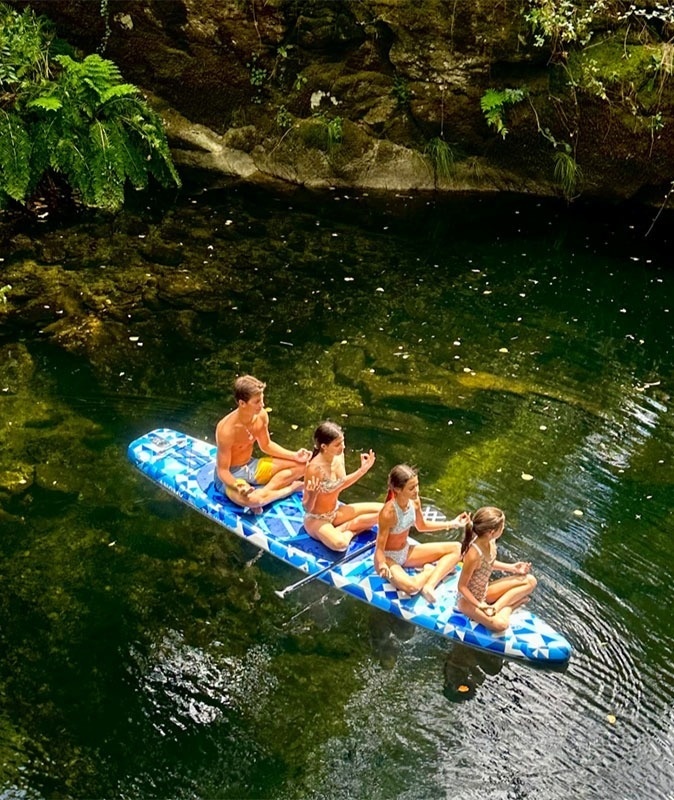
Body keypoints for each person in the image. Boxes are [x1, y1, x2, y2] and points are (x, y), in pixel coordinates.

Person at [214, 375, 311, 511]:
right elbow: (222, 471)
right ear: (242, 403)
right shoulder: (226, 430)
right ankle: (288, 489)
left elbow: (266, 446)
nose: (262, 405)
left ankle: (264, 494)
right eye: (257, 401)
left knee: (304, 466)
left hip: (251, 465)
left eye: (262, 399)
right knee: (253, 500)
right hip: (231, 475)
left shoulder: (261, 415)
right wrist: (237, 486)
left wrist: (294, 455)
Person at [373, 464, 469, 598]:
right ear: (398, 489)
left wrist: (452, 523)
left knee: (457, 548)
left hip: (406, 552)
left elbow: (422, 526)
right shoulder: (388, 513)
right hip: (389, 557)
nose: (416, 490)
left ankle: (429, 585)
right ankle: (431, 570)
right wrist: (382, 564)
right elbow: (379, 549)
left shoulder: (414, 501)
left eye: (417, 485)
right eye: (411, 488)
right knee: (411, 588)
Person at [453, 506, 537, 632]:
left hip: (484, 592)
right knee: (501, 626)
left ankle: (495, 608)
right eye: (502, 527)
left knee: (530, 580)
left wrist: (513, 568)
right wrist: (480, 606)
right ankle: (510, 607)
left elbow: (487, 564)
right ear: (491, 532)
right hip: (467, 601)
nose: (504, 528)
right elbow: (462, 587)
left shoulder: (491, 542)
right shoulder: (473, 554)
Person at [302, 421, 382, 551]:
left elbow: (341, 484)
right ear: (324, 446)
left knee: (387, 510)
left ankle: (350, 526)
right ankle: (352, 528)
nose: (343, 447)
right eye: (338, 444)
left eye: (343, 442)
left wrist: (362, 470)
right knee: (340, 545)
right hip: (317, 520)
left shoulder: (338, 456)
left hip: (336, 513)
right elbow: (307, 508)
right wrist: (312, 494)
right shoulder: (314, 469)